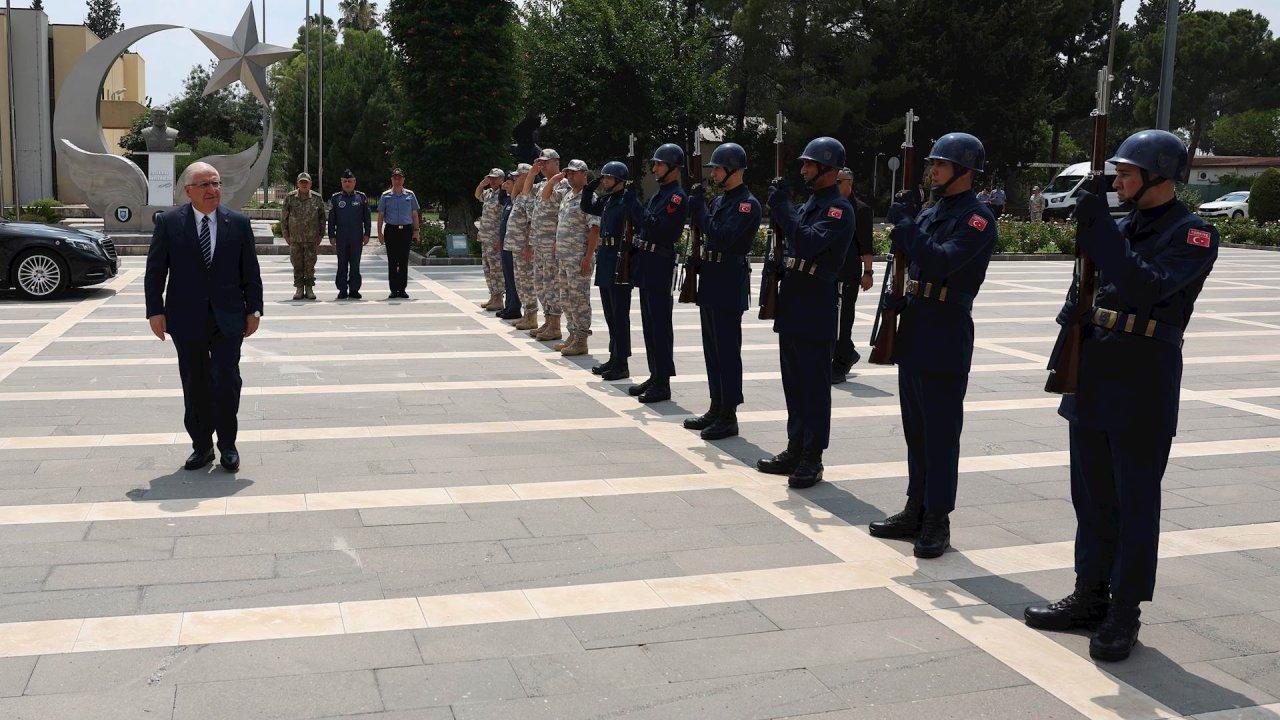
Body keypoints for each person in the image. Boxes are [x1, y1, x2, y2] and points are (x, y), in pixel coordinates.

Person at [1024, 129, 1218, 662]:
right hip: (1094, 371)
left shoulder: (1193, 234)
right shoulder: (1121, 225)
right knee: (1090, 497)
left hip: (1142, 380)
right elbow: (1084, 290)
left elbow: (1145, 287)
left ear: (1160, 177)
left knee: (1134, 503)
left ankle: (1124, 611)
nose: (1117, 181)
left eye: (1128, 173)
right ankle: (1089, 595)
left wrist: (1099, 233)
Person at [868, 132, 998, 559]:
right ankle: (915, 507)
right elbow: (917, 261)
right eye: (932, 164)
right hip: (917, 324)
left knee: (941, 433)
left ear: (964, 172)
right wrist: (900, 298)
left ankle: (937, 518)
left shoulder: (977, 219)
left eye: (940, 165)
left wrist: (906, 226)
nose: (932, 171)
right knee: (916, 429)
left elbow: (943, 260)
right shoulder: (930, 211)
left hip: (946, 330)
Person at [145, 162, 263, 473]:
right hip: (186, 318)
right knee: (195, 383)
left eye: (216, 183)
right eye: (205, 185)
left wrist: (255, 308)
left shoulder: (237, 223)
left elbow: (250, 270)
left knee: (226, 380)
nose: (213, 190)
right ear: (189, 192)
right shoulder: (169, 223)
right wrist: (155, 311)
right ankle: (201, 446)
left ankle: (228, 445)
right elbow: (155, 271)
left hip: (228, 317)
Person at [755, 137, 855, 488]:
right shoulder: (812, 203)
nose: (803, 170)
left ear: (827, 169)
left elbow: (810, 242)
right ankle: (794, 447)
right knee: (793, 384)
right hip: (796, 300)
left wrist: (783, 208)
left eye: (809, 165)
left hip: (815, 304)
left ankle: (813, 457)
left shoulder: (838, 209)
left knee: (814, 387)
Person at [683, 142, 761, 440]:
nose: (712, 173)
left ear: (733, 170)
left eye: (716, 168)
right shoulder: (720, 201)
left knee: (727, 351)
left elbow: (723, 236)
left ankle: (729, 414)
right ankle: (716, 406)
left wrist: (700, 209)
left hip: (729, 280)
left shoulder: (746, 204)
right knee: (712, 349)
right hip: (712, 278)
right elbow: (705, 232)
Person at [625, 143, 687, 403]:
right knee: (649, 326)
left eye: (659, 164)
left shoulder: (676, 198)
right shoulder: (659, 195)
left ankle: (663, 383)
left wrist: (635, 207)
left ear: (673, 167)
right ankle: (655, 374)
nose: (654, 168)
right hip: (648, 264)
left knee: (660, 326)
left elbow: (659, 229)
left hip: (660, 265)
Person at [582, 160, 634, 380]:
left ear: (620, 181)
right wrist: (589, 186)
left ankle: (622, 363)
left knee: (620, 314)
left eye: (609, 178)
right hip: (606, 258)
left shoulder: (627, 201)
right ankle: (614, 357)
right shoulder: (608, 200)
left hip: (619, 261)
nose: (605, 181)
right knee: (610, 313)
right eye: (604, 177)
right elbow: (586, 206)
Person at [547, 159, 598, 356]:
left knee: (579, 299)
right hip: (563, 257)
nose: (569, 176)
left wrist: (588, 257)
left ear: (584, 174)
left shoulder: (590, 198)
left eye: (573, 173)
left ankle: (582, 339)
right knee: (565, 298)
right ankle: (572, 334)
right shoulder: (567, 196)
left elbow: (594, 229)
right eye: (567, 173)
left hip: (578, 258)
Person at [831, 167, 875, 383]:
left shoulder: (861, 209)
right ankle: (847, 352)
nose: (836, 185)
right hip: (830, 271)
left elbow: (866, 244)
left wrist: (868, 272)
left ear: (850, 183)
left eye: (839, 182)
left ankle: (840, 363)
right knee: (831, 317)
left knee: (844, 317)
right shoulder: (831, 206)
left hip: (849, 271)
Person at [526, 149, 567, 341]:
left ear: (556, 162)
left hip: (552, 244)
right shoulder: (542, 183)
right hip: (539, 244)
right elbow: (525, 193)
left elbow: (562, 213)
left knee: (552, 286)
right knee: (540, 285)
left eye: (544, 163)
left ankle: (556, 326)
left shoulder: (564, 183)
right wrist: (532, 173)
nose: (541, 166)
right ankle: (548, 321)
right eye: (539, 163)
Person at [281, 172, 326, 300]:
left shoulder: (317, 198)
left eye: (306, 182)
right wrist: (286, 235)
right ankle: (299, 288)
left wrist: (321, 235)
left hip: (311, 239)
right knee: (297, 264)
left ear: (310, 183)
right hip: (295, 239)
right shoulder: (290, 198)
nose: (304, 185)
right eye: (302, 182)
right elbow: (284, 218)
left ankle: (310, 288)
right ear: (298, 183)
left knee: (310, 264)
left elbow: (322, 218)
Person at [377, 168, 420, 300]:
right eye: (395, 178)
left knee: (403, 260)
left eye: (399, 178)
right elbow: (380, 215)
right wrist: (379, 233)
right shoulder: (385, 196)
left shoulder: (410, 194)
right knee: (392, 260)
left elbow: (414, 214)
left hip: (406, 230)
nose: (397, 180)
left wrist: (416, 231)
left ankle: (402, 289)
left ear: (403, 180)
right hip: (391, 230)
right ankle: (393, 290)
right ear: (392, 179)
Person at [328, 169, 371, 300]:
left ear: (354, 182)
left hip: (356, 237)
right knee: (342, 264)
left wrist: (367, 233)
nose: (347, 183)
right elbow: (331, 219)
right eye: (345, 181)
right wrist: (331, 235)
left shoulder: (361, 197)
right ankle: (342, 290)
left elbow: (367, 217)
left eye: (350, 181)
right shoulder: (336, 198)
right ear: (341, 182)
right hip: (341, 236)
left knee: (355, 264)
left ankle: (354, 289)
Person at [508, 163, 539, 330]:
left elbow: (531, 223)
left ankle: (532, 316)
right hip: (516, 246)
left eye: (517, 176)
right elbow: (512, 197)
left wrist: (529, 246)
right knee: (520, 282)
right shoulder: (521, 196)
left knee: (527, 282)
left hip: (524, 247)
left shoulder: (530, 197)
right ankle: (527, 315)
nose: (514, 179)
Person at [475, 168, 507, 311]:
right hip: (485, 237)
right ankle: (493, 296)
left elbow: (504, 219)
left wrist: (500, 239)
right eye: (490, 178)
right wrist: (482, 185)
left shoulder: (503, 195)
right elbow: (477, 195)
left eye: (495, 178)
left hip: (495, 238)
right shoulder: (488, 193)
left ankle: (499, 298)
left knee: (496, 269)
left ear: (502, 179)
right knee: (487, 268)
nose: (492, 181)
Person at [495, 171, 523, 320]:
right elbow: (501, 197)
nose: (505, 185)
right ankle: (509, 305)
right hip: (506, 244)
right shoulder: (509, 201)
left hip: (515, 246)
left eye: (509, 182)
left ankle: (514, 307)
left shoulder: (519, 201)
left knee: (514, 277)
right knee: (507, 276)